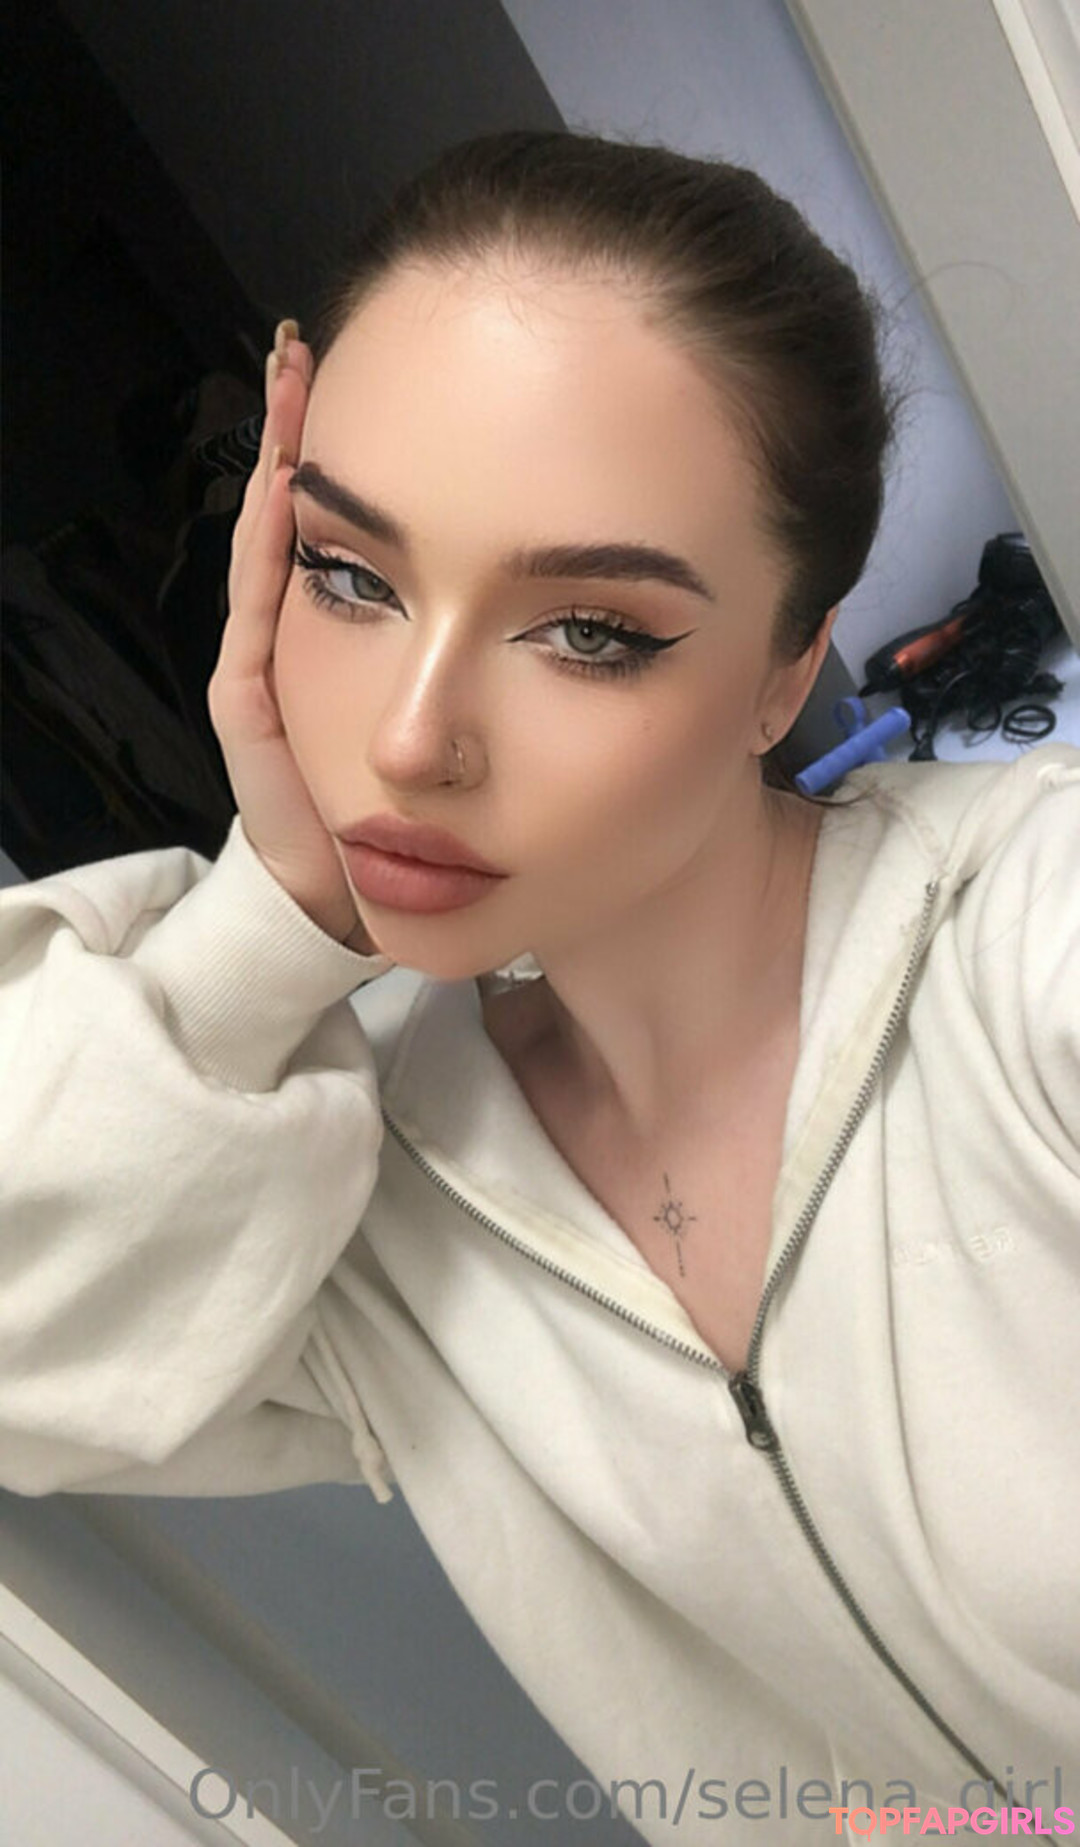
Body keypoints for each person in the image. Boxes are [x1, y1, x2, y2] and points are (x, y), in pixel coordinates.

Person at [1, 128, 1078, 1845]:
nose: (410, 738)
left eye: (591, 629)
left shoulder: (1030, 946)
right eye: (348, 576)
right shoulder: (361, 1198)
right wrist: (273, 915)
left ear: (784, 668)